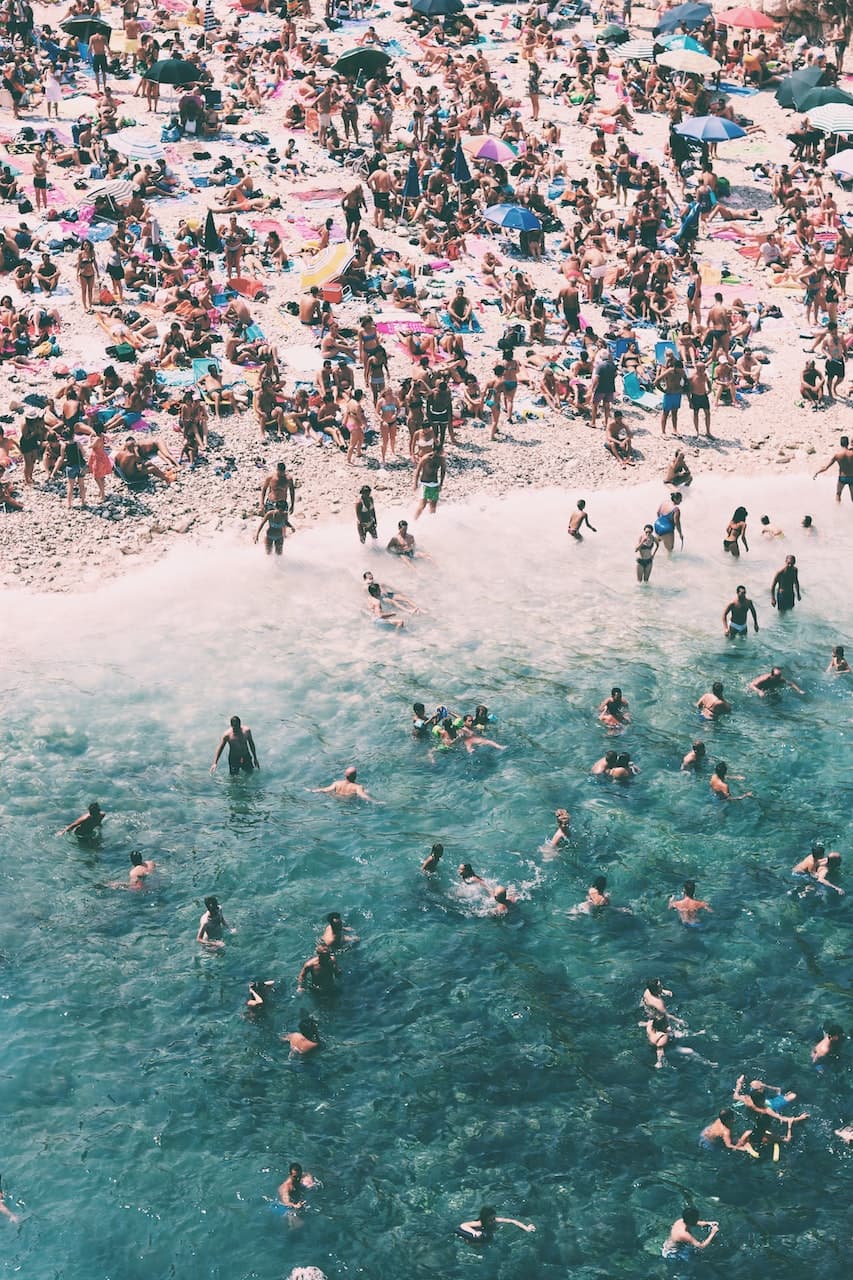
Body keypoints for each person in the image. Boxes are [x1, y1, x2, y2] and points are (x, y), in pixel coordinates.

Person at [457, 1206, 535, 1242]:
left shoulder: (496, 1220)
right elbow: (463, 1225)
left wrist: (526, 1228)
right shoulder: (479, 1223)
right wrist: (474, 1232)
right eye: (490, 1220)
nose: (493, 1221)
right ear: (484, 1219)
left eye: (494, 1218)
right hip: (478, 1233)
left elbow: (513, 1221)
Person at [813, 435, 853, 502]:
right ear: (848, 443)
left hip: (842, 478)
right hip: (852, 477)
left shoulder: (837, 455)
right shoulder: (851, 453)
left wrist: (817, 472)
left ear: (840, 443)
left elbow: (826, 467)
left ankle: (837, 511)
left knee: (838, 494)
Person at [413, 447, 445, 519]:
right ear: (435, 451)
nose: (442, 454)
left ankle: (431, 522)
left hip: (435, 484)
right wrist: (415, 484)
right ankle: (414, 520)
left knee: (433, 507)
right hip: (425, 484)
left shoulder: (441, 459)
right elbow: (418, 470)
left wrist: (441, 485)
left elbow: (443, 471)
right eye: (441, 452)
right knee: (422, 505)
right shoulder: (426, 458)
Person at [312, 767, 377, 802]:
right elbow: (363, 795)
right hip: (348, 802)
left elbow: (326, 789)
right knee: (366, 792)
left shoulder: (336, 783)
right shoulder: (358, 787)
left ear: (345, 775)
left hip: (337, 800)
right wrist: (375, 801)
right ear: (355, 776)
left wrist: (312, 790)